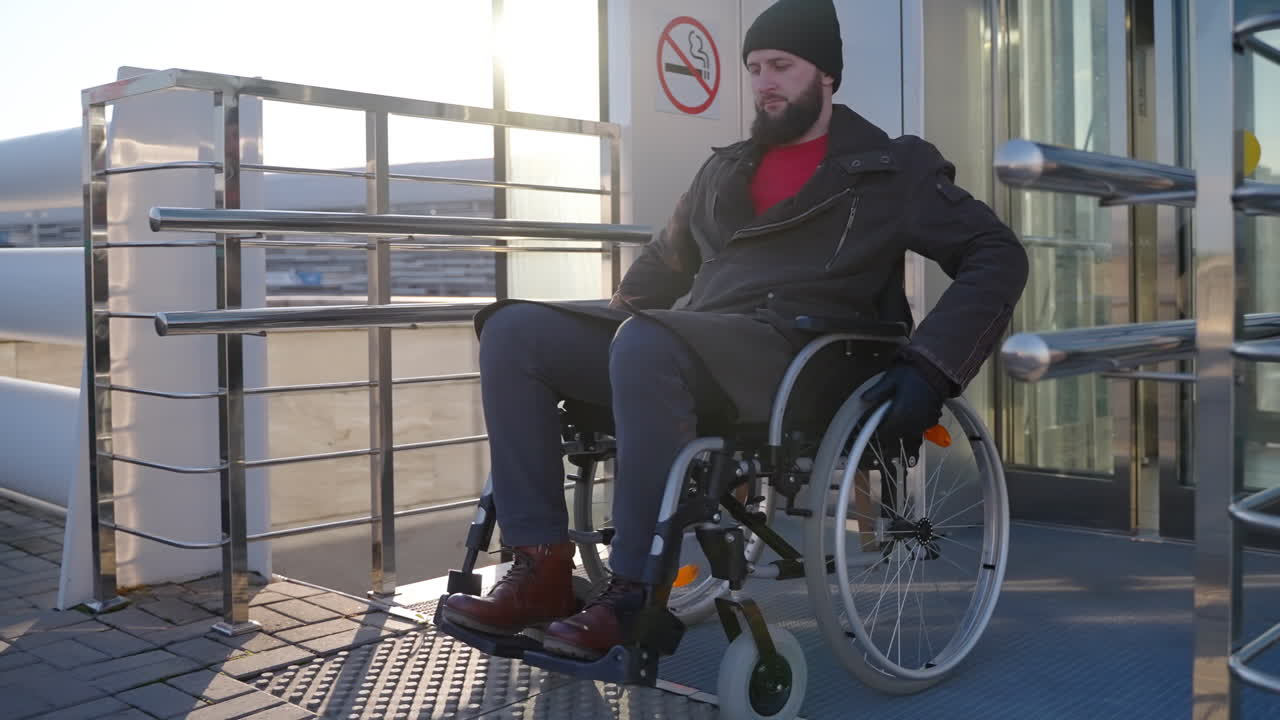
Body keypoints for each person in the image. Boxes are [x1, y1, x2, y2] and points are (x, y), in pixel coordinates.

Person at [442, 0, 1028, 661]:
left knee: (648, 341)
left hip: (799, 355)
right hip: (698, 342)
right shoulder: (725, 167)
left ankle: (632, 591)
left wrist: (930, 365)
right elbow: (664, 263)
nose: (764, 81)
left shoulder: (892, 169)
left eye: (781, 65)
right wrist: (612, 329)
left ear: (826, 76)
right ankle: (541, 570)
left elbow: (997, 254)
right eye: (754, 68)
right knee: (514, 330)